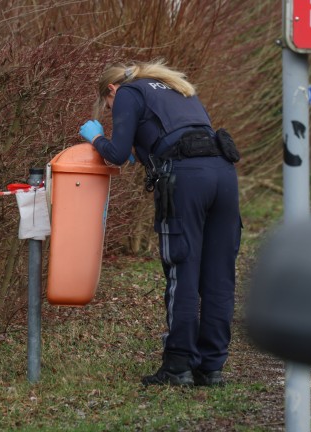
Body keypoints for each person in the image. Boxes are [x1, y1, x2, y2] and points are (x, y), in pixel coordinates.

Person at [79, 60, 242, 387]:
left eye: (109, 107)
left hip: (186, 181)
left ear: (111, 90)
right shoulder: (176, 88)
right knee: (218, 274)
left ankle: (178, 366)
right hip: (224, 175)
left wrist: (96, 139)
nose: (113, 110)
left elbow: (116, 152)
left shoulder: (127, 93)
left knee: (182, 269)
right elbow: (170, 137)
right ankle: (211, 368)